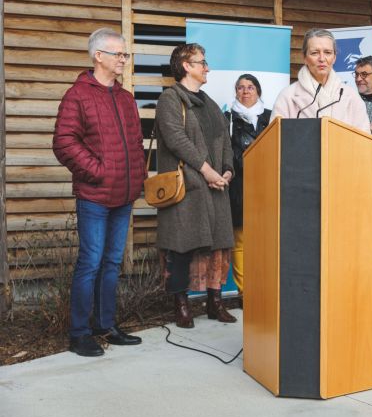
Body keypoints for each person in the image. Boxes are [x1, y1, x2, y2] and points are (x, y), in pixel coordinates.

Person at [53, 28, 145, 356]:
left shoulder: (125, 98)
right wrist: (98, 171)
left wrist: (139, 175)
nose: (123, 59)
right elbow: (64, 142)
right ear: (98, 56)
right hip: (94, 195)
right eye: (118, 54)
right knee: (90, 262)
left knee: (111, 262)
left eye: (125, 54)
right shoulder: (77, 95)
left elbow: (135, 143)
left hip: (124, 195)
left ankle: (105, 325)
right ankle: (79, 333)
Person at [155, 43, 236, 328]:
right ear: (186, 66)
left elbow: (224, 139)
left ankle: (215, 303)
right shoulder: (170, 99)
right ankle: (181, 305)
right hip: (188, 189)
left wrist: (226, 170)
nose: (207, 67)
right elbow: (177, 139)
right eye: (202, 62)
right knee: (181, 246)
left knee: (218, 248)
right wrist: (207, 171)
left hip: (215, 188)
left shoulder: (210, 102)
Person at [271, 28, 370, 133]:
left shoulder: (350, 96)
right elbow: (274, 140)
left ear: (334, 57)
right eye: (315, 53)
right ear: (304, 58)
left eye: (327, 52)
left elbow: (364, 141)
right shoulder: (288, 96)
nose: (322, 58)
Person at [226, 74, 271, 295]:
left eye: (250, 87)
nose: (245, 91)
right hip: (239, 187)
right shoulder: (228, 118)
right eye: (241, 87)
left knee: (267, 239)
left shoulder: (273, 117)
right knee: (241, 241)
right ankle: (245, 292)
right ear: (235, 92)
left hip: (269, 186)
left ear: (258, 91)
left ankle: (265, 289)